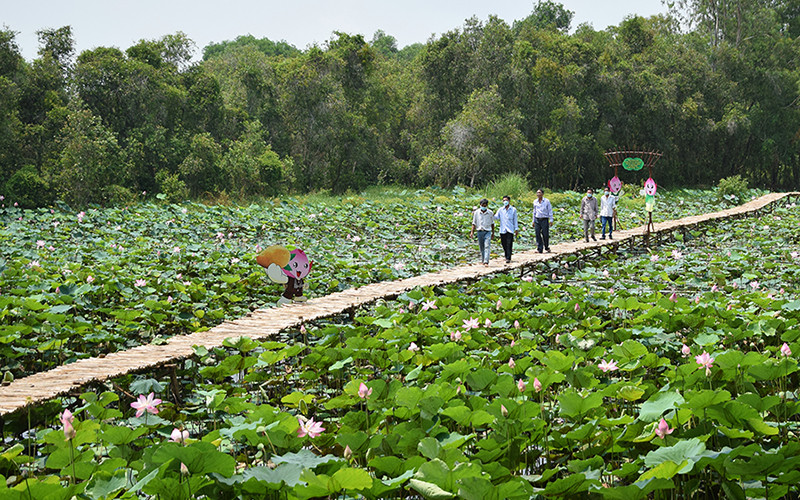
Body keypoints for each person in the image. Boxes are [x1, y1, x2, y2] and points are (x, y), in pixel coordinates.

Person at [470, 198, 494, 266]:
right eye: (482, 205)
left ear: (487, 205)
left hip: (487, 231)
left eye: (485, 205)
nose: (483, 206)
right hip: (479, 231)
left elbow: (492, 223)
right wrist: (472, 232)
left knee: (487, 246)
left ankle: (486, 261)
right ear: (480, 205)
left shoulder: (490, 213)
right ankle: (483, 260)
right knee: (482, 247)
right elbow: (474, 223)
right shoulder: (476, 213)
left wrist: (493, 233)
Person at [494, 195, 519, 263]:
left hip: (510, 229)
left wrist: (516, 229)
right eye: (504, 200)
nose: (505, 202)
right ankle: (506, 255)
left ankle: (508, 257)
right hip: (503, 229)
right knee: (504, 243)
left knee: (509, 243)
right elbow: (496, 217)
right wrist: (491, 215)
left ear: (509, 201)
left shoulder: (513, 210)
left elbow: (515, 220)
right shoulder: (500, 210)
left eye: (506, 200)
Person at [532, 189, 553, 253]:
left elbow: (550, 210)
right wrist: (533, 220)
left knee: (545, 234)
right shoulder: (535, 202)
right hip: (537, 219)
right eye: (537, 193)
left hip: (544, 219)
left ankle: (546, 246)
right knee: (537, 234)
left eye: (539, 193)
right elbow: (534, 211)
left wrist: (551, 220)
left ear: (542, 194)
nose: (538, 194)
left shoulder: (546, 201)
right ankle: (539, 248)